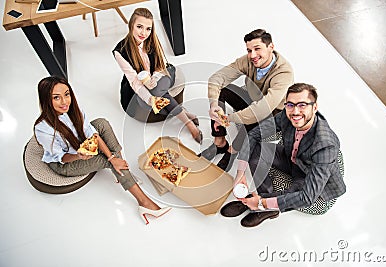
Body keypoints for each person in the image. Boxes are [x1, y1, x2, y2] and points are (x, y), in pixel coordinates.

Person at [34, 76, 171, 225]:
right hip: (65, 163)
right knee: (105, 160)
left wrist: (113, 157)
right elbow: (61, 157)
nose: (64, 102)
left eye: (67, 95)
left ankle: (121, 172)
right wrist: (79, 156)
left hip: (79, 146)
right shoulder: (42, 128)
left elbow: (92, 133)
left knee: (101, 123)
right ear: (46, 100)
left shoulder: (74, 110)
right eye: (56, 98)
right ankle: (144, 202)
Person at [220, 83, 346, 227]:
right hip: (291, 158)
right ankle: (261, 198)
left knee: (294, 195)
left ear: (315, 107)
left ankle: (263, 206)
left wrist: (263, 202)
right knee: (256, 150)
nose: (295, 111)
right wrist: (240, 173)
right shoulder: (288, 115)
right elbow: (254, 135)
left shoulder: (325, 145)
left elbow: (307, 197)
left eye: (302, 105)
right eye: (290, 105)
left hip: (308, 176)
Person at [199, 29, 294, 170]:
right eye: (249, 50)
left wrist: (228, 118)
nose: (253, 55)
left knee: (253, 120)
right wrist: (214, 104)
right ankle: (220, 143)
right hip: (253, 98)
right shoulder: (248, 60)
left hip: (273, 112)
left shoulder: (284, 72)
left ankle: (232, 151)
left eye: (257, 49)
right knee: (223, 91)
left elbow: (262, 109)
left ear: (271, 47)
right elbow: (217, 78)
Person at [112, 7, 202, 143]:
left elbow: (161, 66)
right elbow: (134, 81)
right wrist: (150, 99)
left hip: (163, 74)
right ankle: (186, 115)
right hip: (140, 84)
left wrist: (154, 78)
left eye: (148, 28)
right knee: (154, 98)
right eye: (139, 27)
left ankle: (189, 125)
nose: (144, 33)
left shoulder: (150, 39)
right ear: (131, 25)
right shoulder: (120, 51)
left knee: (156, 89)